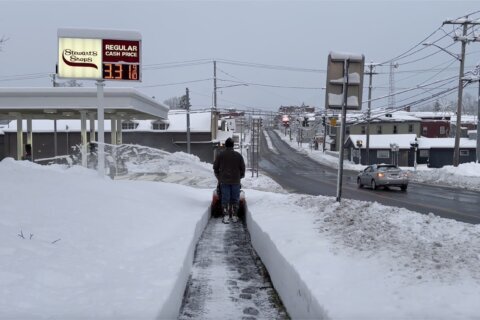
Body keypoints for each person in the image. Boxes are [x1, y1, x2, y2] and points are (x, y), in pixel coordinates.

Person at [213, 137, 245, 224]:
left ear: (225, 145)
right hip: (235, 181)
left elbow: (215, 168)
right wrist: (239, 176)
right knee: (235, 198)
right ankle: (234, 216)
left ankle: (226, 216)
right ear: (233, 146)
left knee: (225, 199)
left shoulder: (220, 155)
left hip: (224, 181)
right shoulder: (238, 156)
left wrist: (219, 177)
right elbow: (243, 168)